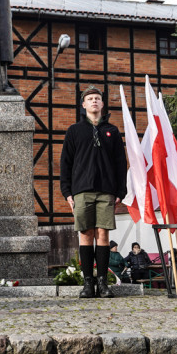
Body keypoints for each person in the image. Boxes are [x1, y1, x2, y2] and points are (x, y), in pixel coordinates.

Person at [60, 85, 127, 299]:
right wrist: (67, 192)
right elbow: (65, 164)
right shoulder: (74, 131)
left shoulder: (113, 131)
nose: (94, 101)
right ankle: (88, 283)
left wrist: (120, 191)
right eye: (90, 99)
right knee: (86, 234)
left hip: (106, 190)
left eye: (97, 98)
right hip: (81, 191)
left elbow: (120, 163)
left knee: (103, 234)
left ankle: (103, 284)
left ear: (102, 103)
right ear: (84, 105)